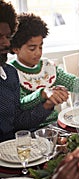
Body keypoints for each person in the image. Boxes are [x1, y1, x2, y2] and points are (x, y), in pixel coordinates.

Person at [10, 13, 79, 127]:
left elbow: (75, 83)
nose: (38, 53)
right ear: (15, 48)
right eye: (32, 48)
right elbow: (21, 104)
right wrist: (43, 93)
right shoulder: (11, 73)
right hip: (30, 130)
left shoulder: (47, 67)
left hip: (54, 125)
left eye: (40, 46)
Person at [0, 1, 68, 142]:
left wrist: (48, 104)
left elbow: (18, 122)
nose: (6, 43)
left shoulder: (9, 75)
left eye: (7, 37)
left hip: (15, 148)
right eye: (0, 37)